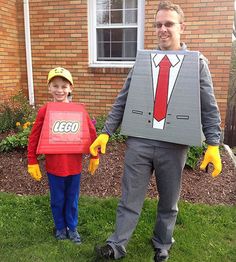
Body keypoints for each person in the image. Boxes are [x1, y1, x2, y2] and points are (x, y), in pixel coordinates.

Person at [89, 1, 222, 261]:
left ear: (182, 27)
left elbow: (209, 106)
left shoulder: (196, 64)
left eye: (169, 24)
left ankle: (162, 244)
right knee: (130, 197)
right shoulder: (143, 62)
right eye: (158, 24)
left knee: (169, 201)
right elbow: (122, 99)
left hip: (173, 145)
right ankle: (116, 245)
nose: (163, 29)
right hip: (139, 142)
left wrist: (214, 144)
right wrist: (106, 131)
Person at [27, 67, 99, 244]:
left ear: (70, 88)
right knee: (58, 200)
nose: (60, 90)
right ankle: (60, 227)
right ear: (49, 88)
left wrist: (94, 156)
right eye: (55, 86)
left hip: (74, 167)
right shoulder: (45, 110)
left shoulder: (78, 110)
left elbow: (90, 132)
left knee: (72, 200)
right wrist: (32, 160)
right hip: (54, 167)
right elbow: (34, 136)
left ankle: (72, 228)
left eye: (64, 86)